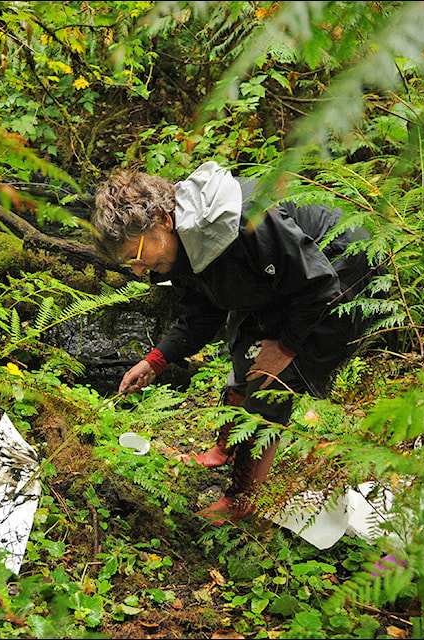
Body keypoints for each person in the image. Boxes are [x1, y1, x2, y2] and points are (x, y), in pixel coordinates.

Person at [91, 161, 384, 524]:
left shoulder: (243, 222)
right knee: (242, 342)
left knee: (272, 380)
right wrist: (156, 360)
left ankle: (244, 500)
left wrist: (287, 347)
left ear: (163, 221)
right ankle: (226, 448)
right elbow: (201, 313)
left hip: (340, 270)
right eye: (128, 263)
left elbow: (319, 285)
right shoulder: (179, 247)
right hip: (286, 279)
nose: (137, 270)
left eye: (137, 256)